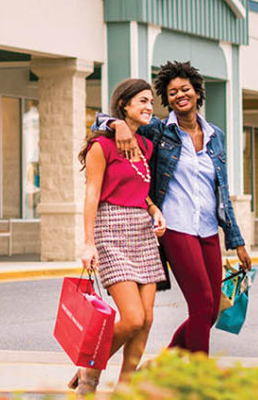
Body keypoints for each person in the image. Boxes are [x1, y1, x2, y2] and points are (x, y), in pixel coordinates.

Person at [96, 61, 252, 356]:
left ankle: (164, 365)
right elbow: (101, 121)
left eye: (185, 89)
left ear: (196, 92)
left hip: (207, 228)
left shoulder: (214, 135)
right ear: (166, 100)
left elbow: (222, 191)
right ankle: (197, 381)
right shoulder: (158, 130)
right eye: (172, 92)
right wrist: (117, 125)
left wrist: (238, 241)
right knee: (201, 303)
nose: (180, 95)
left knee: (213, 310)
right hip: (175, 226)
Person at [69, 78, 167, 394]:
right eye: (141, 101)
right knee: (133, 318)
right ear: (124, 105)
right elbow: (92, 194)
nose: (149, 107)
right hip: (111, 229)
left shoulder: (147, 145)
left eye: (151, 101)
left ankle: (125, 389)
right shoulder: (102, 146)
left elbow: (139, 188)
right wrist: (88, 242)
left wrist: (154, 210)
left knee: (148, 318)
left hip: (142, 229)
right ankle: (89, 367)